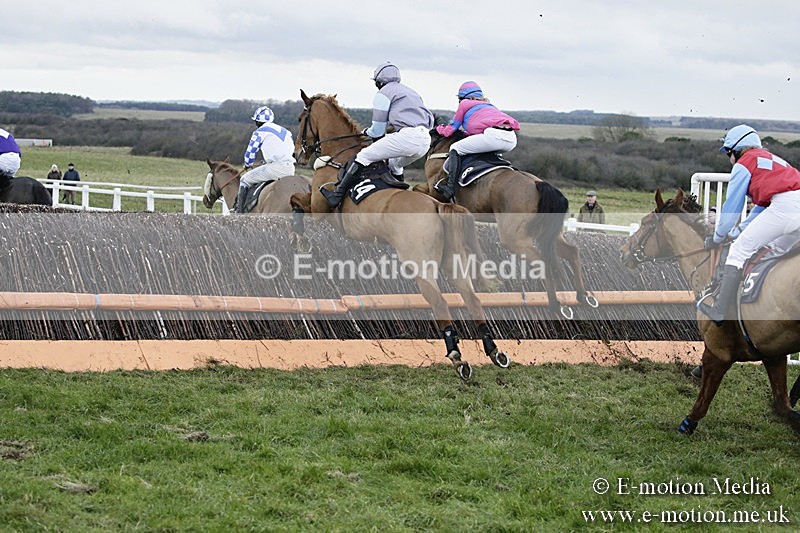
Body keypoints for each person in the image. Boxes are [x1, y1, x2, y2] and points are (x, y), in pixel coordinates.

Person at [697, 124, 800, 325]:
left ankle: (720, 310)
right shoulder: (772, 160)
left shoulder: (744, 163)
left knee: (738, 251)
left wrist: (718, 237)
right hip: (791, 205)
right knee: (772, 250)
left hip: (786, 207)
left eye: (728, 153)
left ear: (734, 150)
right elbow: (760, 211)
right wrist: (737, 231)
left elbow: (731, 208)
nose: (729, 159)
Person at [322, 61, 434, 208]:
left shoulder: (383, 93)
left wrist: (366, 132)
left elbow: (378, 131)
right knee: (395, 164)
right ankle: (398, 192)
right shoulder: (411, 92)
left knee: (363, 156)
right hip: (425, 140)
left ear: (379, 82)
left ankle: (336, 195)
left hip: (407, 137)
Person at [433, 81, 520, 201]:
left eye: (459, 99)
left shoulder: (465, 103)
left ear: (466, 97)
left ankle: (450, 187)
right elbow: (478, 132)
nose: (459, 102)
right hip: (511, 139)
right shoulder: (489, 105)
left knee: (455, 148)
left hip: (494, 136)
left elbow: (450, 130)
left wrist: (438, 129)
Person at [238, 106, 296, 214]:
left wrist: (247, 164)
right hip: (290, 169)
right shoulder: (287, 132)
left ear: (258, 121)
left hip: (275, 168)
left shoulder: (259, 131)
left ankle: (239, 213)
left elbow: (251, 152)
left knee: (244, 179)